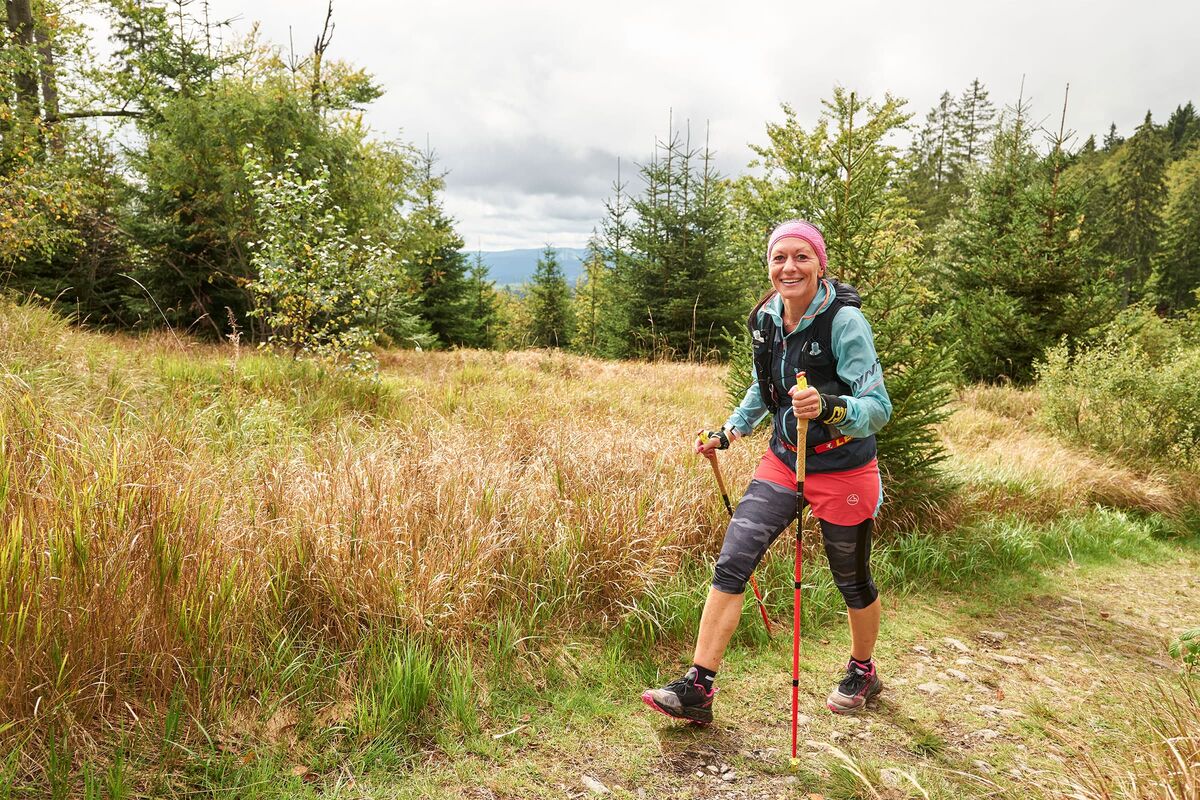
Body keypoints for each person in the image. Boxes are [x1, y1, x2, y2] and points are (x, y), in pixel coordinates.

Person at [640, 219, 892, 723]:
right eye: (779, 258)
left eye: (801, 256)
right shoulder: (766, 318)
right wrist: (729, 431)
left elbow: (878, 407)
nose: (789, 266)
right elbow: (765, 388)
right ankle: (698, 688)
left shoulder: (844, 323)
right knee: (732, 562)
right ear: (769, 266)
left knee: (851, 578)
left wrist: (828, 406)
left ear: (820, 264)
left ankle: (863, 670)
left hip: (843, 464)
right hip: (783, 457)